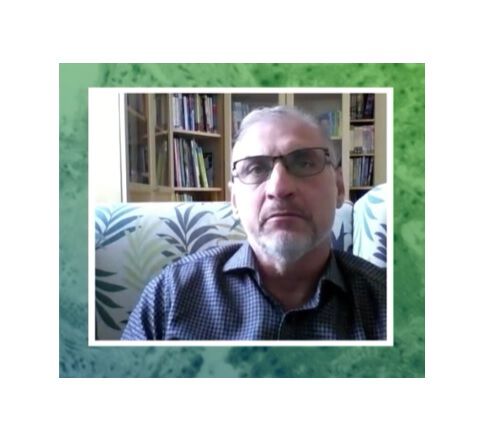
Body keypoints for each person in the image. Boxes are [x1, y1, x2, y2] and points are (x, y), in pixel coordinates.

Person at [121, 106, 386, 340]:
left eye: (305, 163)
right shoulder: (171, 295)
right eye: (256, 169)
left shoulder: (390, 304)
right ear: (234, 200)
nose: (279, 188)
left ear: (339, 187)